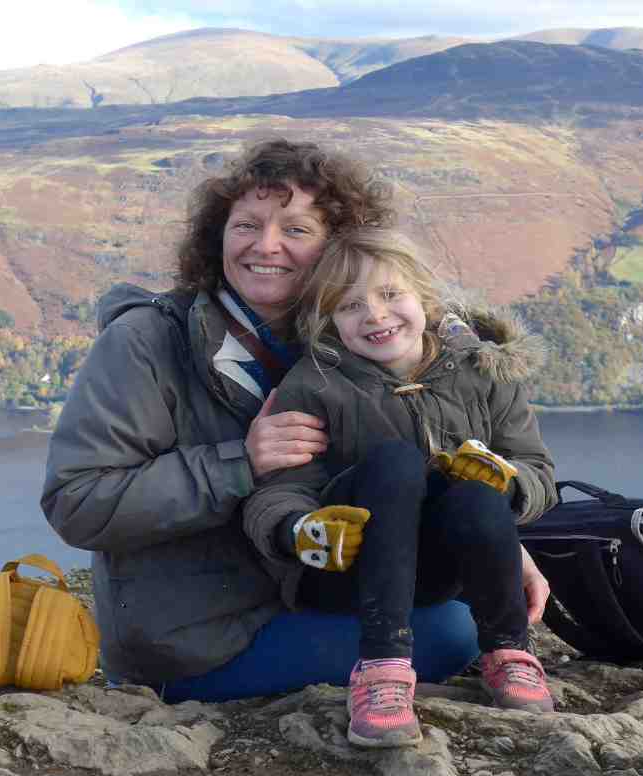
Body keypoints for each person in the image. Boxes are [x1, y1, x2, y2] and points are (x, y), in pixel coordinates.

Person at [40, 139, 553, 703]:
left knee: (457, 616)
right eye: (246, 226)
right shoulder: (146, 343)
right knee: (451, 634)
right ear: (217, 237)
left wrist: (497, 544)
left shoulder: (361, 339)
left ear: (341, 248)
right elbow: (78, 502)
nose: (267, 246)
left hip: (324, 589)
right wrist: (242, 460)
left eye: (297, 229)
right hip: (205, 635)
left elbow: (414, 466)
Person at [242, 227, 558, 748]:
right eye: (349, 306)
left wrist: (511, 483)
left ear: (425, 299)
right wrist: (299, 531)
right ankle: (382, 670)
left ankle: (508, 652)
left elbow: (536, 469)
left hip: (441, 570)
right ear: (327, 320)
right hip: (347, 567)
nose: (375, 315)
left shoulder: (484, 372)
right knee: (393, 463)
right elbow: (279, 488)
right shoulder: (314, 385)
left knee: (477, 486)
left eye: (391, 295)